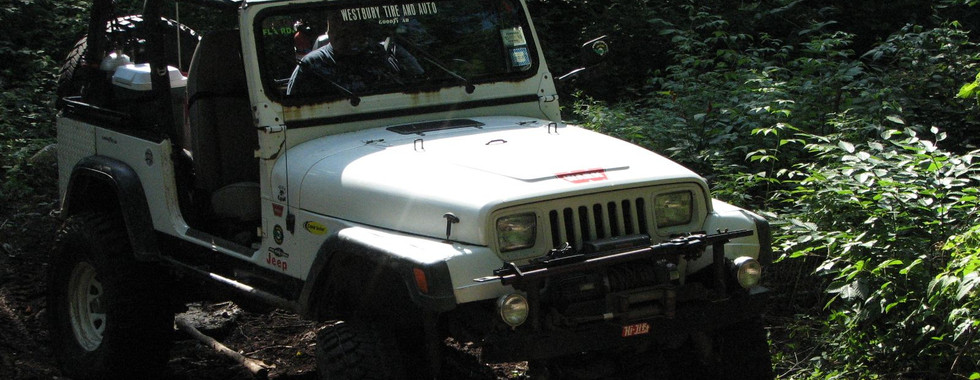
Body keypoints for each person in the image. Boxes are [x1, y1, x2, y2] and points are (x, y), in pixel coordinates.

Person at [286, 13, 423, 96]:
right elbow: (293, 108)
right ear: (328, 29)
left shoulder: (387, 55)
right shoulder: (311, 65)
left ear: (361, 27)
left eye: (347, 24)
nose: (340, 30)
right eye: (335, 23)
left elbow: (420, 90)